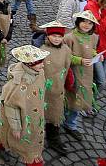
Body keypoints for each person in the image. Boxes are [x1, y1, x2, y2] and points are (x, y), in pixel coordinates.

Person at [0, 45, 50, 166]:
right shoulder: (18, 85)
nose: (42, 65)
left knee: (16, 134)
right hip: (22, 119)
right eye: (39, 63)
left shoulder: (39, 73)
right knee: (25, 140)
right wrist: (16, 127)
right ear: (29, 64)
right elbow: (11, 107)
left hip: (33, 113)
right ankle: (32, 160)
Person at [62, 10, 100, 140]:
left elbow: (91, 49)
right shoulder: (69, 38)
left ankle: (70, 123)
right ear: (78, 22)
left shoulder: (93, 37)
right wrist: (80, 60)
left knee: (80, 99)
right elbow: (65, 56)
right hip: (72, 73)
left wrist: (96, 55)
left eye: (90, 23)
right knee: (70, 97)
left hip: (87, 74)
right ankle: (62, 120)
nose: (86, 25)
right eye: (84, 21)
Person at [38, 20, 71, 155]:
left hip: (58, 90)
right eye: (54, 36)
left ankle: (53, 137)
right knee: (41, 113)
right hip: (44, 90)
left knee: (55, 114)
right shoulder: (43, 51)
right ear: (48, 36)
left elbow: (67, 67)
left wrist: (68, 81)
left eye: (59, 36)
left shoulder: (66, 50)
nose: (57, 39)